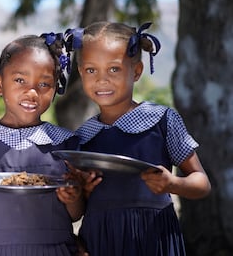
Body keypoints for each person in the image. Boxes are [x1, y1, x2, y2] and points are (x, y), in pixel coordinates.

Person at [71, 21, 211, 256]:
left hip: (153, 239)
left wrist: (172, 184)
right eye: (91, 70)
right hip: (100, 240)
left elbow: (202, 183)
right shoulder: (83, 137)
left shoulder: (162, 120)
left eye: (114, 69)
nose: (101, 79)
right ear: (80, 73)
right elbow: (79, 206)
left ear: (136, 71)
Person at [0, 34, 86, 256]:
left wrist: (72, 198)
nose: (32, 92)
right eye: (19, 80)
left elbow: (75, 214)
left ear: (55, 89)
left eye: (44, 84)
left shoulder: (66, 143)